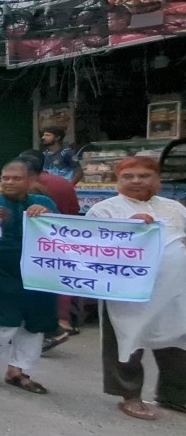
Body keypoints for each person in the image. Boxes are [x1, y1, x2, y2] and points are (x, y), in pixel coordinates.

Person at [86, 157, 186, 419]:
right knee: (126, 341)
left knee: (177, 341)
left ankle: (175, 396)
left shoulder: (174, 207)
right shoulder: (104, 210)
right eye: (128, 176)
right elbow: (92, 249)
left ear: (158, 180)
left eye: (144, 176)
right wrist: (130, 228)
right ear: (118, 181)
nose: (136, 181)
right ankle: (129, 395)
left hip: (174, 290)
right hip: (126, 292)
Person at [0, 159, 56, 394]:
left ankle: (18, 371)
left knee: (34, 322)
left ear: (31, 181)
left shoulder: (44, 202)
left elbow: (61, 232)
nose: (9, 182)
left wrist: (47, 215)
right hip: (2, 269)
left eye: (16, 178)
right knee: (5, 320)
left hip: (39, 269)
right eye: (5, 178)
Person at [19, 149, 80, 345]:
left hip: (37, 244)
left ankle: (51, 328)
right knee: (59, 278)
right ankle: (63, 321)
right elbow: (74, 211)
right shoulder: (63, 182)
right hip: (63, 237)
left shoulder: (31, 190)